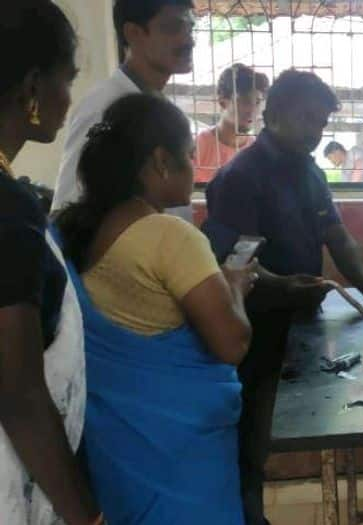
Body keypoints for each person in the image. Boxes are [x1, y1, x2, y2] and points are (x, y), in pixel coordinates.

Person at [203, 69, 363, 525]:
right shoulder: (239, 177)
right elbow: (233, 260)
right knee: (250, 437)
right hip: (255, 329)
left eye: (321, 123)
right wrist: (279, 285)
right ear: (272, 115)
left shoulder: (308, 170)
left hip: (302, 324)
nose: (316, 133)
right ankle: (248, 517)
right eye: (307, 119)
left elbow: (337, 236)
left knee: (310, 424)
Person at [55, 94, 255, 524]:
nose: (193, 166)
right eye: (187, 155)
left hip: (119, 455)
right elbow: (232, 342)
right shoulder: (170, 236)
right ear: (162, 162)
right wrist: (235, 286)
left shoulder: (79, 231)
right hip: (181, 458)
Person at [0, 3, 103, 524]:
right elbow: (18, 391)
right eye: (67, 80)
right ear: (33, 88)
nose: (69, 98)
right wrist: (87, 514)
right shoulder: (7, 209)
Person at [52, 0, 195, 220]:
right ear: (134, 33)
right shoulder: (105, 104)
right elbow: (67, 210)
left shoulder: (157, 105)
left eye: (190, 28)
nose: (188, 40)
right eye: (173, 27)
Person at [194, 64, 269, 184]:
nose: (252, 109)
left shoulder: (258, 150)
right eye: (245, 100)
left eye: (257, 102)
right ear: (223, 102)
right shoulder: (199, 145)